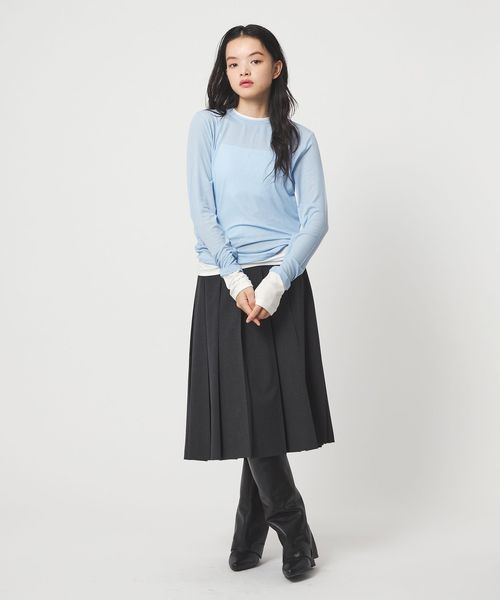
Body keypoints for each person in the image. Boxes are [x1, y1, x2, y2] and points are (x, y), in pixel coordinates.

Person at [183, 24, 335, 580]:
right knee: (251, 407)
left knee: (263, 408)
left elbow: (315, 219)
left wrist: (274, 283)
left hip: (280, 282)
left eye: (254, 59)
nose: (243, 70)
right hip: (225, 282)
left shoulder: (299, 139)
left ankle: (253, 527)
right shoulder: (208, 126)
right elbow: (203, 210)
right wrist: (234, 278)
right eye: (232, 62)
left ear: (276, 67)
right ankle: (294, 528)